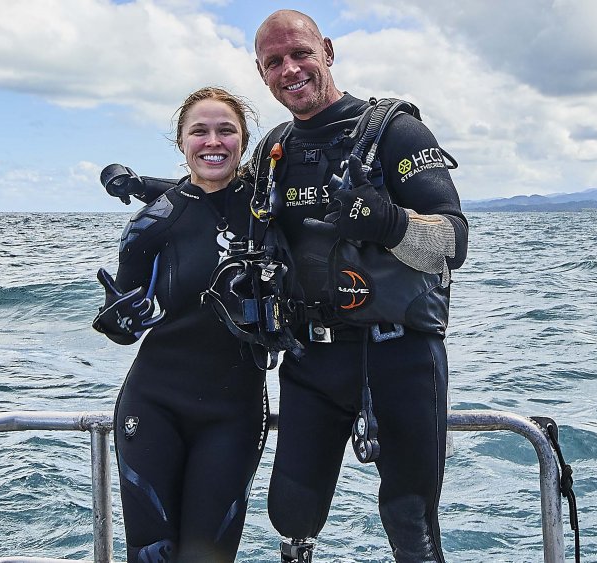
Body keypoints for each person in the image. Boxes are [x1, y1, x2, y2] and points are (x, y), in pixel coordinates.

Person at [250, 10, 469, 562]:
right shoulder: (274, 150)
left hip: (400, 358)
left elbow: (453, 241)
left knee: (408, 518)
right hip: (313, 360)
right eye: (274, 62)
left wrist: (387, 222)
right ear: (261, 73)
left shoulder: (397, 132)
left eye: (300, 53)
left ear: (327, 50)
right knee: (290, 511)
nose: (290, 69)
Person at [92, 87, 273, 563]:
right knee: (151, 554)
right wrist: (119, 323)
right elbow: (124, 321)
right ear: (181, 142)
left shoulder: (270, 210)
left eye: (225, 130)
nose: (213, 141)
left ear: (243, 140)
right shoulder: (152, 224)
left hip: (233, 414)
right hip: (153, 403)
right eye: (199, 131)